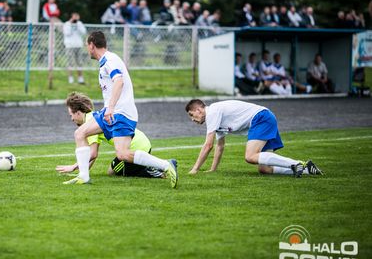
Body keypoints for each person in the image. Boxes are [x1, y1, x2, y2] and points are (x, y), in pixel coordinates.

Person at [63, 31, 178, 187]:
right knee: (80, 133)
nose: (86, 49)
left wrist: (110, 108)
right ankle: (84, 176)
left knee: (122, 154)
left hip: (121, 113)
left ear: (91, 45)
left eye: (86, 45)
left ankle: (166, 165)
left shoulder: (110, 60)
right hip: (110, 112)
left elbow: (119, 81)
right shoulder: (105, 61)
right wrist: (108, 109)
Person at [185, 99, 323, 177]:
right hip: (265, 118)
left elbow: (208, 145)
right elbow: (219, 146)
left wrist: (195, 169)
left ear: (199, 110)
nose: (192, 119)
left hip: (261, 118)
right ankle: (307, 169)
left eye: (192, 115)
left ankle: (296, 163)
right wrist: (213, 169)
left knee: (250, 156)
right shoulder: (215, 118)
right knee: (264, 170)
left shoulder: (212, 112)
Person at [56, 92, 165, 178]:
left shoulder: (89, 123)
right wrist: (84, 172)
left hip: (136, 147)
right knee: (113, 170)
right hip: (142, 142)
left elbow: (93, 154)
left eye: (71, 115)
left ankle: (152, 171)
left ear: (78, 113)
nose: (71, 119)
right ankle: (148, 166)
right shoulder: (94, 117)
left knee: (114, 171)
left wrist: (73, 167)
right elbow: (92, 155)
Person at [63, 12, 87, 84]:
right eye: (74, 17)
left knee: (79, 62)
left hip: (78, 45)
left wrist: (77, 25)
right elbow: (67, 33)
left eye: (77, 17)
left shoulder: (79, 23)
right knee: (70, 62)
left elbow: (84, 32)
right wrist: (71, 24)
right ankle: (70, 77)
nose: (75, 19)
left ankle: (80, 78)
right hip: (69, 45)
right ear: (71, 17)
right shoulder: (67, 24)